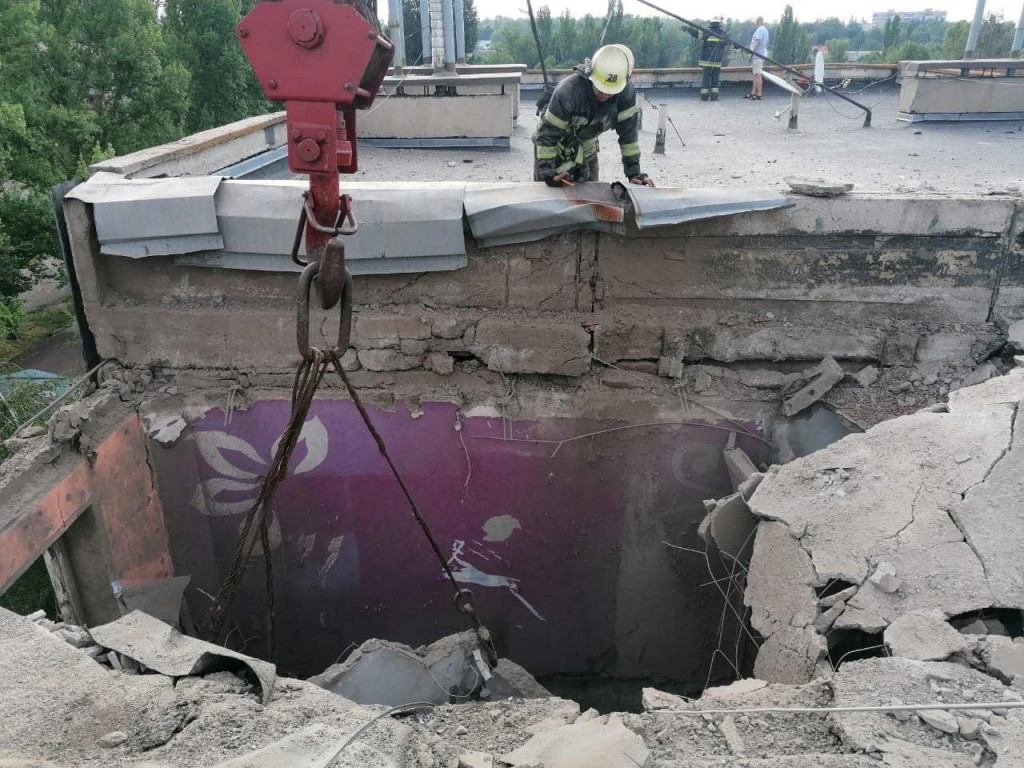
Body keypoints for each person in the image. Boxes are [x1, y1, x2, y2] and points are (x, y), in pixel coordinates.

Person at [533, 44, 655, 188]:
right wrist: (548, 173)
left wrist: (634, 173)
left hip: (586, 143)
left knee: (592, 195)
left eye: (611, 91)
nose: (605, 94)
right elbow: (547, 135)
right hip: (553, 146)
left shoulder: (625, 93)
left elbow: (629, 138)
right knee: (548, 197)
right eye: (601, 88)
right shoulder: (568, 92)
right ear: (590, 75)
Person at [691, 18, 727, 102]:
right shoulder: (723, 33)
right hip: (717, 61)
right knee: (715, 80)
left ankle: (704, 97)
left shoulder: (707, 32)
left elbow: (697, 35)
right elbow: (726, 43)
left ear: (711, 24)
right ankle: (714, 97)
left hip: (706, 61)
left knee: (705, 79)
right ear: (718, 24)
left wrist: (690, 29)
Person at [746, 16, 769, 100]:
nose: (755, 23)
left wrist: (753, 52)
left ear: (758, 21)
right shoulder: (765, 30)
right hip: (761, 54)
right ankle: (753, 93)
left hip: (758, 55)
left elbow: (758, 42)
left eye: (755, 22)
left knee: (757, 74)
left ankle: (759, 94)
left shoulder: (760, 30)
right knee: (756, 74)